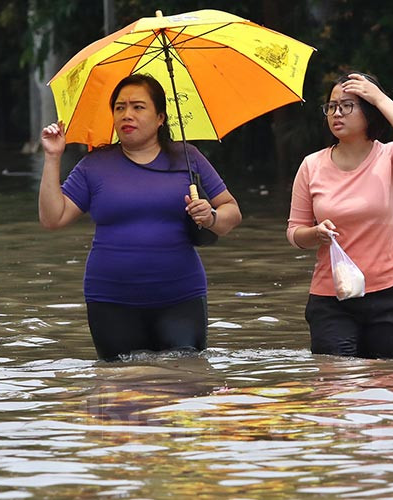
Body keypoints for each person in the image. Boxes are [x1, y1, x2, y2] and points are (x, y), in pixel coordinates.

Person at [39, 74, 242, 361]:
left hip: (180, 297)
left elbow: (231, 211)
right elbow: (53, 218)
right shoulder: (95, 165)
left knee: (184, 381)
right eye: (120, 108)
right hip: (111, 300)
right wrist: (52, 158)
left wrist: (210, 216)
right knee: (122, 390)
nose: (127, 115)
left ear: (160, 117)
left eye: (138, 107)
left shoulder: (187, 158)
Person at [286, 72, 393, 359]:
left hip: (392, 293)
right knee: (337, 390)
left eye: (347, 106)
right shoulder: (311, 166)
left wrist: (379, 96)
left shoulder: (391, 158)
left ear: (369, 111)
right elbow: (294, 232)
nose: (336, 113)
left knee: (391, 388)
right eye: (331, 106)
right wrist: (315, 234)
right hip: (331, 299)